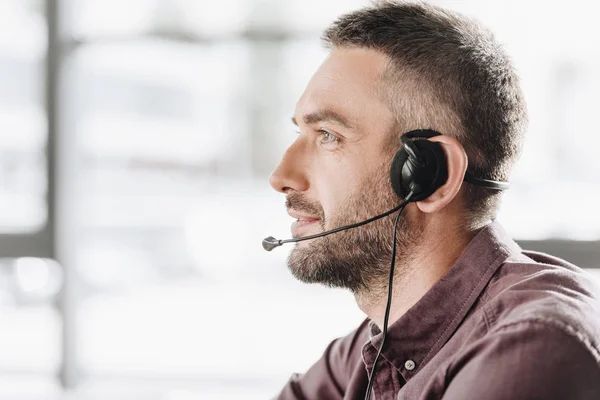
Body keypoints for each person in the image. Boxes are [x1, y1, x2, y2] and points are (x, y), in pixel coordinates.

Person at [267, 1, 600, 400]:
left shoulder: (534, 347)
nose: (281, 178)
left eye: (328, 136)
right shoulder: (368, 350)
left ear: (430, 176)